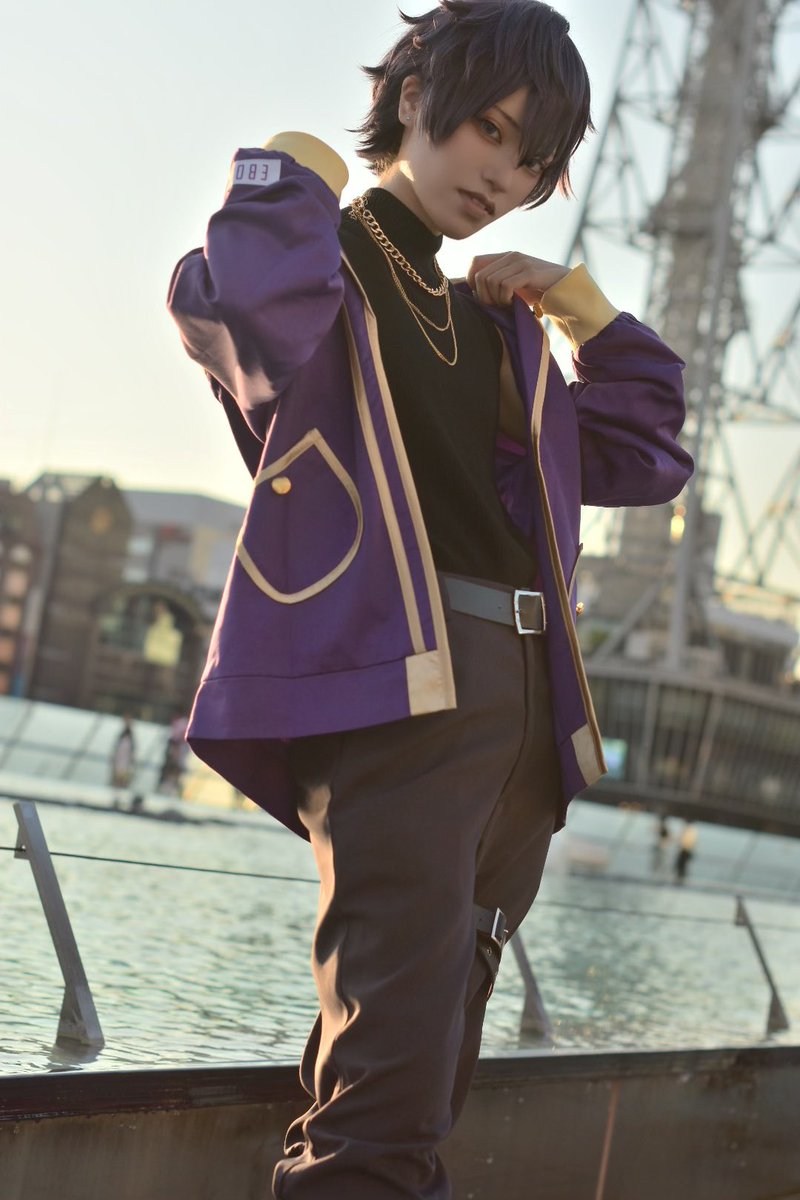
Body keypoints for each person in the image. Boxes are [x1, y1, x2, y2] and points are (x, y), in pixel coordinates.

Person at [166, 2, 693, 1195]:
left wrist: (575, 304)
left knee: (421, 1071)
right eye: (486, 130)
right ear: (414, 98)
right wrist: (297, 164)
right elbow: (247, 314)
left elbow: (644, 451)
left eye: (530, 161)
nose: (499, 176)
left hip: (523, 719)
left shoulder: (491, 328)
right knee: (387, 1105)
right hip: (400, 693)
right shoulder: (323, 272)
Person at [109, 715, 136, 791]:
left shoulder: (130, 736)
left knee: (123, 777)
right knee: (118, 775)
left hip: (125, 761)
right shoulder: (123, 735)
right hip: (120, 760)